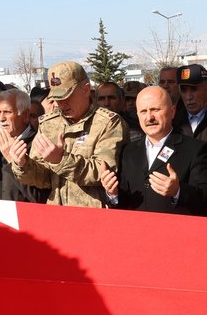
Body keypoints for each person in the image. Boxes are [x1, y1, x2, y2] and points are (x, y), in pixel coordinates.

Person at [11, 61, 124, 207]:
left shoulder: (108, 123)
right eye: (57, 98)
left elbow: (102, 172)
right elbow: (43, 179)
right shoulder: (49, 123)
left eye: (67, 97)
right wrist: (23, 164)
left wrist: (61, 160)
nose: (61, 104)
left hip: (92, 213)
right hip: (57, 213)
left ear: (86, 89)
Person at [100, 86, 207, 216]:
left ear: (172, 111)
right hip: (137, 227)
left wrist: (178, 191)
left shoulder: (195, 149)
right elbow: (124, 201)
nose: (149, 117)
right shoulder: (129, 151)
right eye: (143, 111)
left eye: (155, 110)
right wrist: (113, 193)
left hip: (177, 227)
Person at [0, 89, 45, 203]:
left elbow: (38, 197)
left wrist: (14, 161)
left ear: (25, 115)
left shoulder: (39, 143)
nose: (1, 118)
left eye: (7, 112)